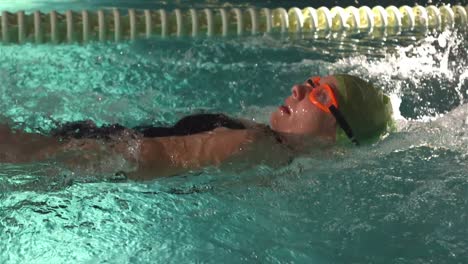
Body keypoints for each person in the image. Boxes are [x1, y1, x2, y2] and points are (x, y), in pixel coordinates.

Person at [0, 74, 394, 180]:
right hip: (92, 142)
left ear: (339, 135)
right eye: (308, 83)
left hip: (85, 149)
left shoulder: (254, 142)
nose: (297, 89)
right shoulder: (262, 143)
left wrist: (40, 156)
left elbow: (151, 156)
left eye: (319, 95)